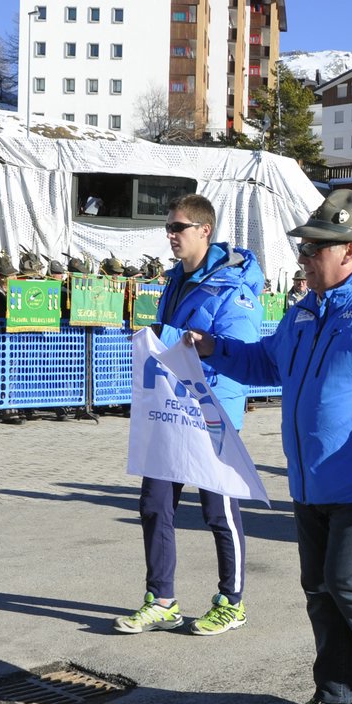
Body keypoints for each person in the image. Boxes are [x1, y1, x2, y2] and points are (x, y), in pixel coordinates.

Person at [191, 188, 352, 704]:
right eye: (305, 249)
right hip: (311, 481)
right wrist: (214, 349)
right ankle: (336, 695)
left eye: (314, 250)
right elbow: (266, 362)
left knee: (349, 579)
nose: (304, 258)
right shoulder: (303, 312)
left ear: (351, 251)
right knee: (321, 591)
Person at [113, 193, 263, 638]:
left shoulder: (233, 287)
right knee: (155, 504)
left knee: (218, 509)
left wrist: (169, 333)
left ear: (205, 231)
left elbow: (239, 349)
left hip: (212, 410)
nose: (171, 235)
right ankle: (161, 600)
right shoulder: (175, 279)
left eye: (178, 228)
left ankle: (231, 602)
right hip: (170, 409)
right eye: (169, 228)